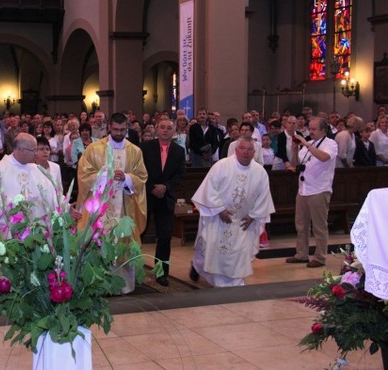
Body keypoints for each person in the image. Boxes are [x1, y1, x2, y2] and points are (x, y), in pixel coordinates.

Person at [189, 136, 275, 287]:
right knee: (212, 249)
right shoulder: (222, 165)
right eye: (242, 148)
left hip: (243, 221)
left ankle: (235, 281)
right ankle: (202, 269)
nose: (246, 152)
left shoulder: (260, 172)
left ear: (254, 152)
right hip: (219, 217)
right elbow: (209, 188)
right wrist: (219, 209)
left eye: (249, 149)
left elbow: (264, 196)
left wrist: (253, 216)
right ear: (236, 149)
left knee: (239, 252)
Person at [76, 112, 147, 294]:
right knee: (99, 242)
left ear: (127, 128)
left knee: (122, 242)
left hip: (124, 208)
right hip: (100, 208)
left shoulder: (134, 151)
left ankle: (123, 286)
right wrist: (105, 176)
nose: (119, 133)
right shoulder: (94, 149)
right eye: (115, 129)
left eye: (122, 130)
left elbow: (141, 177)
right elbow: (83, 175)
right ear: (109, 127)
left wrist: (127, 178)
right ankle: (98, 285)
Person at [0, 133, 57, 273]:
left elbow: (50, 192)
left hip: (33, 228)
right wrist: (16, 207)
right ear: (20, 150)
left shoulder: (35, 169)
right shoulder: (0, 170)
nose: (36, 154)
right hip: (10, 228)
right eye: (33, 150)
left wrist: (65, 206)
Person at [139, 118, 186, 286]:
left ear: (173, 132)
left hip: (166, 198)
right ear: (157, 130)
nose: (165, 130)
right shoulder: (145, 147)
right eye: (162, 127)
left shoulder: (179, 151)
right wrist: (152, 187)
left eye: (168, 128)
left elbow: (180, 174)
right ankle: (134, 269)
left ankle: (161, 273)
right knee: (139, 233)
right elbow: (139, 170)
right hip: (146, 195)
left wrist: (165, 187)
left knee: (165, 237)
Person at [286, 117, 338, 268]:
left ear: (323, 130)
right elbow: (295, 165)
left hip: (319, 190)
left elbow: (324, 157)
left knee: (319, 226)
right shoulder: (309, 144)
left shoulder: (330, 143)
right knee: (301, 225)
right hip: (303, 189)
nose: (311, 131)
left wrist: (307, 144)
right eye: (310, 128)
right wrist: (295, 150)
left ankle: (320, 257)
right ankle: (301, 254)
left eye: (314, 129)